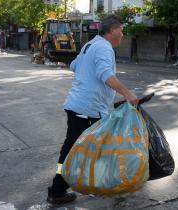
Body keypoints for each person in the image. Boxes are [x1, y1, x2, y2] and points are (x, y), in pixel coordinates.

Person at [46, 14, 138, 205]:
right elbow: (106, 75)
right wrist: (128, 94)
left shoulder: (90, 45)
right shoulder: (104, 48)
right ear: (112, 30)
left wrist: (86, 75)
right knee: (94, 148)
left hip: (80, 106)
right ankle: (60, 190)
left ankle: (68, 188)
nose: (122, 34)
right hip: (87, 109)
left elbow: (74, 65)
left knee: (86, 148)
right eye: (121, 30)